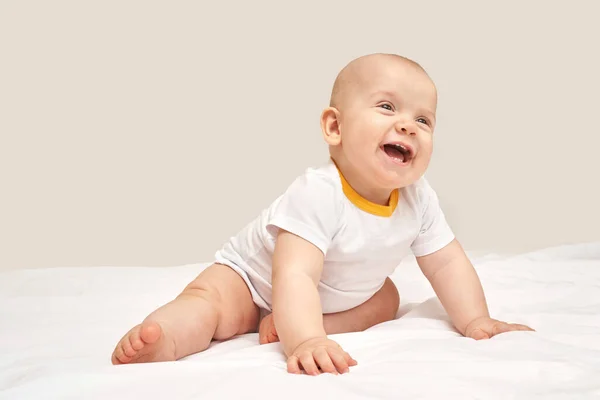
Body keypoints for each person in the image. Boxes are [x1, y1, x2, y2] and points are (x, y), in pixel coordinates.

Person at [111, 53, 534, 375]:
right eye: (387, 107)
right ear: (335, 128)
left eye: (423, 119)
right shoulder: (318, 192)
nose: (407, 125)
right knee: (210, 305)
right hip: (251, 281)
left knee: (387, 298)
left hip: (324, 296)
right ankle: (162, 339)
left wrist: (476, 319)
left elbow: (447, 263)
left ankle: (294, 322)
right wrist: (305, 341)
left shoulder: (419, 198)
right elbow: (294, 276)